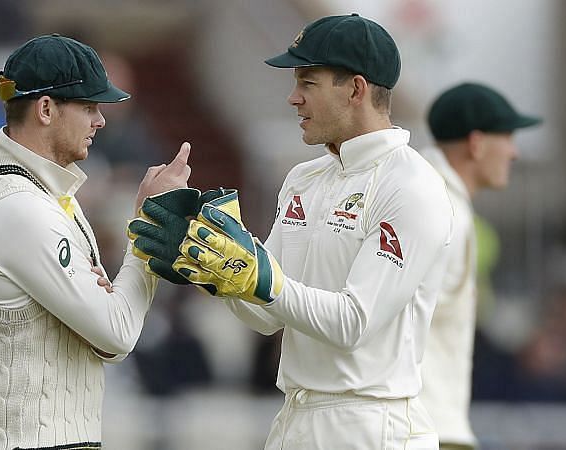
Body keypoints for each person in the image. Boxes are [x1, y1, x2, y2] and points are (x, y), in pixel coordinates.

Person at [131, 14, 453, 449]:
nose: (293, 98)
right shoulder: (304, 178)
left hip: (372, 424)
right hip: (296, 417)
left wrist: (260, 276)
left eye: (308, 83)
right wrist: (213, 269)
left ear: (356, 89)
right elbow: (266, 315)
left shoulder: (412, 185)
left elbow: (352, 323)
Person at [0, 34, 191, 450]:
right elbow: (116, 333)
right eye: (89, 106)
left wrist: (109, 307)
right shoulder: (21, 207)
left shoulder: (44, 195)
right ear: (45, 109)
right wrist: (150, 224)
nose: (101, 121)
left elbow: (104, 339)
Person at [419, 82, 541, 449]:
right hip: (424, 426)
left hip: (423, 423)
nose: (515, 153)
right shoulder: (443, 211)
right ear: (477, 143)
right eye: (507, 137)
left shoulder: (429, 198)